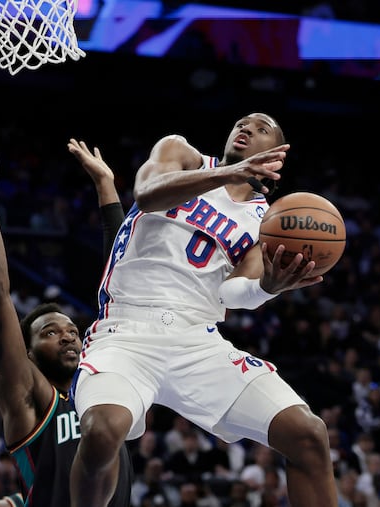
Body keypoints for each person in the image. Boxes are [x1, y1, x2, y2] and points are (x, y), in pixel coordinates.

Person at [68, 112, 338, 507]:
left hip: (197, 342)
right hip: (126, 332)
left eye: (261, 128)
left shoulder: (267, 221)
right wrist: (230, 174)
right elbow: (147, 193)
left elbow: (232, 294)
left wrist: (267, 288)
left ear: (277, 154)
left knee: (308, 434)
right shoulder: (181, 152)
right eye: (242, 123)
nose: (246, 129)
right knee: (101, 430)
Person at [0, 119, 132, 507]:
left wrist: (106, 187)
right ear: (29, 354)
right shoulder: (31, 397)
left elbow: (122, 282)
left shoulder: (102, 385)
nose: (68, 334)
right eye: (50, 332)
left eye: (70, 329)